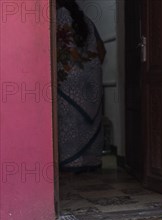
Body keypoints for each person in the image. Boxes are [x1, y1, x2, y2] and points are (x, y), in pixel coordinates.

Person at [56, 0, 106, 172]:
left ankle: (72, 163)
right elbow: (102, 51)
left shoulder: (59, 15)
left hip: (69, 77)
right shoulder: (87, 21)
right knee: (90, 121)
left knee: (69, 121)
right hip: (92, 76)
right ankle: (92, 162)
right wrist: (90, 66)